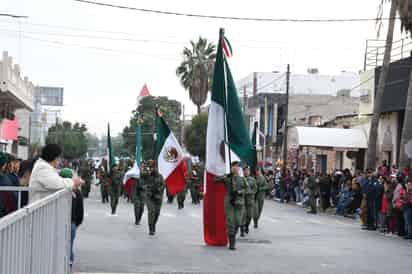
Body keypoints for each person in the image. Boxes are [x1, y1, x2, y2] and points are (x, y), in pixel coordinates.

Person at [215, 161, 246, 250]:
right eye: (233, 167)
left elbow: (247, 189)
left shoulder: (242, 179)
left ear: (239, 168)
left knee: (238, 222)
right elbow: (215, 180)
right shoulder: (227, 178)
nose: (235, 168)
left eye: (236, 167)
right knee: (230, 222)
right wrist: (224, 176)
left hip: (239, 202)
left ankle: (233, 235)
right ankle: (232, 243)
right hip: (229, 202)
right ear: (231, 168)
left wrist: (240, 192)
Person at [59, 168, 83, 268]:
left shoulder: (57, 192)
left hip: (59, 223)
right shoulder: (77, 192)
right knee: (69, 246)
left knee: (60, 246)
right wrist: (76, 224)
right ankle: (69, 265)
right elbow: (80, 212)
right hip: (72, 223)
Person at [141, 161, 165, 236]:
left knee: (157, 213)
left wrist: (159, 190)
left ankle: (153, 224)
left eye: (154, 167)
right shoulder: (147, 175)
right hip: (149, 197)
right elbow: (142, 180)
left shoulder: (160, 176)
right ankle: (151, 228)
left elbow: (163, 185)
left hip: (158, 197)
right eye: (151, 167)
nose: (153, 169)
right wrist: (147, 189)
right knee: (151, 211)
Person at [241, 166, 256, 237]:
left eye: (247, 170)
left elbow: (255, 189)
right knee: (242, 215)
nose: (246, 172)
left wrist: (250, 192)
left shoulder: (252, 180)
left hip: (250, 200)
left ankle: (246, 225)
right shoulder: (240, 179)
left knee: (249, 215)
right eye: (245, 170)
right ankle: (242, 229)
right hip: (242, 200)